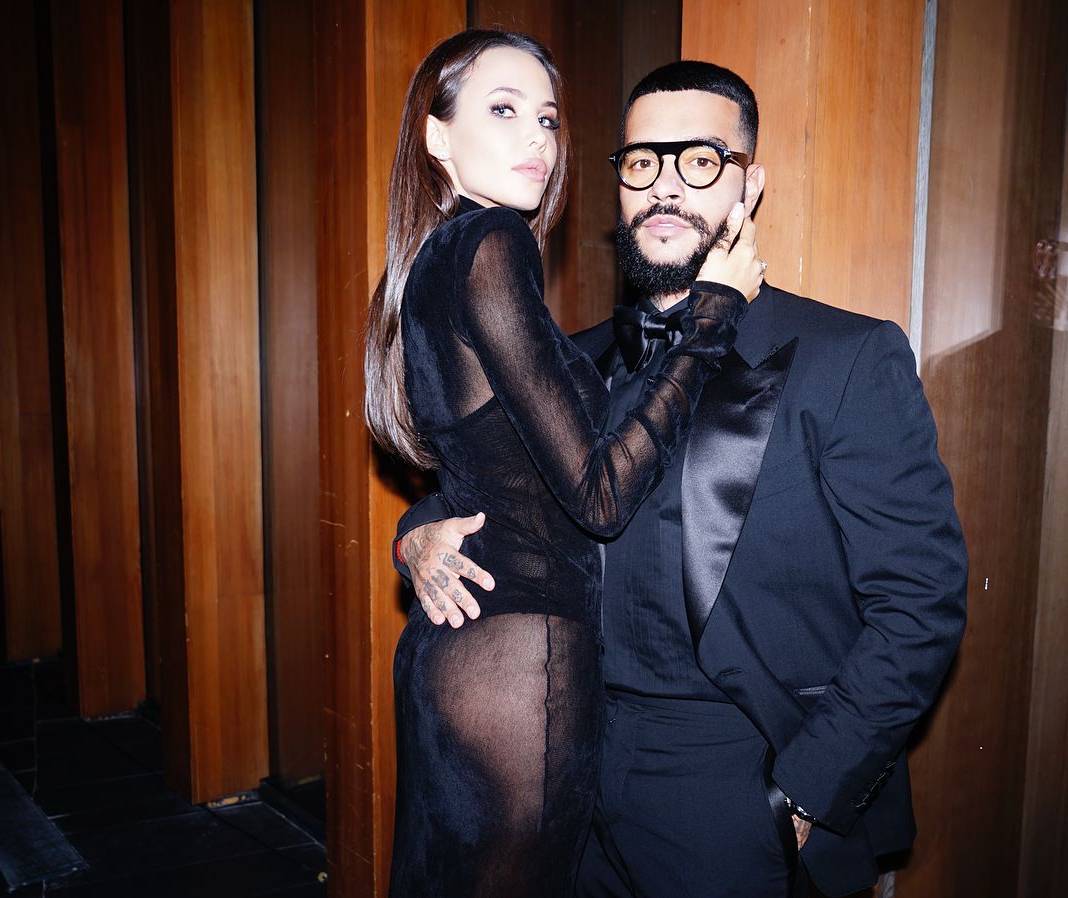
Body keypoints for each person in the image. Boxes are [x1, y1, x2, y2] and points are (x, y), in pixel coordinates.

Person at [393, 61, 968, 898]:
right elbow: (490, 486)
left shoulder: (846, 357)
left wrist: (807, 790)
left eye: (700, 160)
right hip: (566, 766)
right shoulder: (576, 357)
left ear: (750, 185)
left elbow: (922, 602)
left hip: (732, 789)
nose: (666, 186)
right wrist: (415, 538)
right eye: (642, 162)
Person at [365, 34, 765, 898]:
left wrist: (416, 533)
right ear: (436, 136)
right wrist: (713, 317)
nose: (536, 139)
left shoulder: (432, 262)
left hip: (464, 655)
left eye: (547, 119)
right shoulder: (492, 242)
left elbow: (486, 462)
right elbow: (599, 495)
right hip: (521, 665)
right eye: (502, 110)